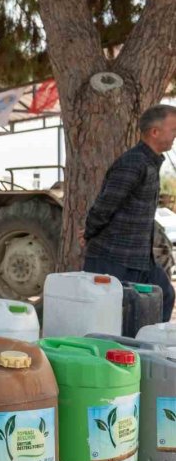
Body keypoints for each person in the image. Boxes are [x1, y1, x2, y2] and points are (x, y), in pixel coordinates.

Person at [83, 104, 176, 322]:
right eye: (173, 129)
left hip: (140, 259)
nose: (175, 135)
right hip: (114, 259)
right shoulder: (133, 163)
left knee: (165, 294)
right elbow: (106, 205)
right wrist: (88, 232)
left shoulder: (150, 163)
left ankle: (148, 351)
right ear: (155, 132)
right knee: (112, 320)